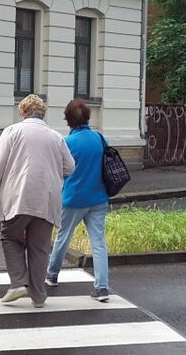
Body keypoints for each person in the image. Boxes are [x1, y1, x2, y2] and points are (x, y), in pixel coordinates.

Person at [0, 94, 74, 308]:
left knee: (10, 237)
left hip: (18, 197)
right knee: (40, 247)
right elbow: (70, 167)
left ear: (22, 113)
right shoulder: (55, 137)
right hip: (48, 200)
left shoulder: (12, 132)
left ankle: (18, 283)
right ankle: (38, 296)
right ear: (42, 114)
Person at [45, 99, 112, 302]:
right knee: (98, 242)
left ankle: (52, 275)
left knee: (63, 237)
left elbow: (58, 171)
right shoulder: (99, 138)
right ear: (88, 117)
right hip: (99, 197)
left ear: (68, 120)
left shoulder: (67, 143)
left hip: (73, 198)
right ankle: (102, 287)